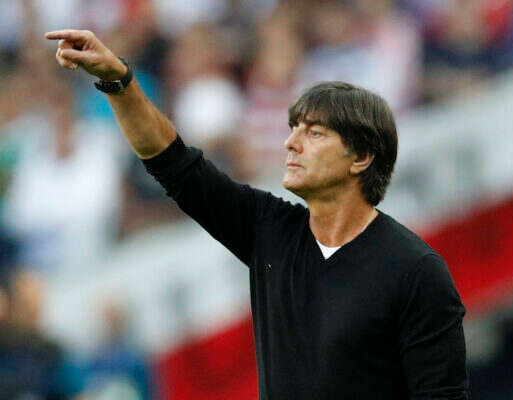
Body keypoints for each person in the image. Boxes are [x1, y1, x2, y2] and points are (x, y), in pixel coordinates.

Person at [45, 29, 468, 399]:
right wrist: (118, 81)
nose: (290, 143)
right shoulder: (270, 230)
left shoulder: (416, 272)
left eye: (314, 133)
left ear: (360, 157)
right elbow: (173, 164)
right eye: (293, 128)